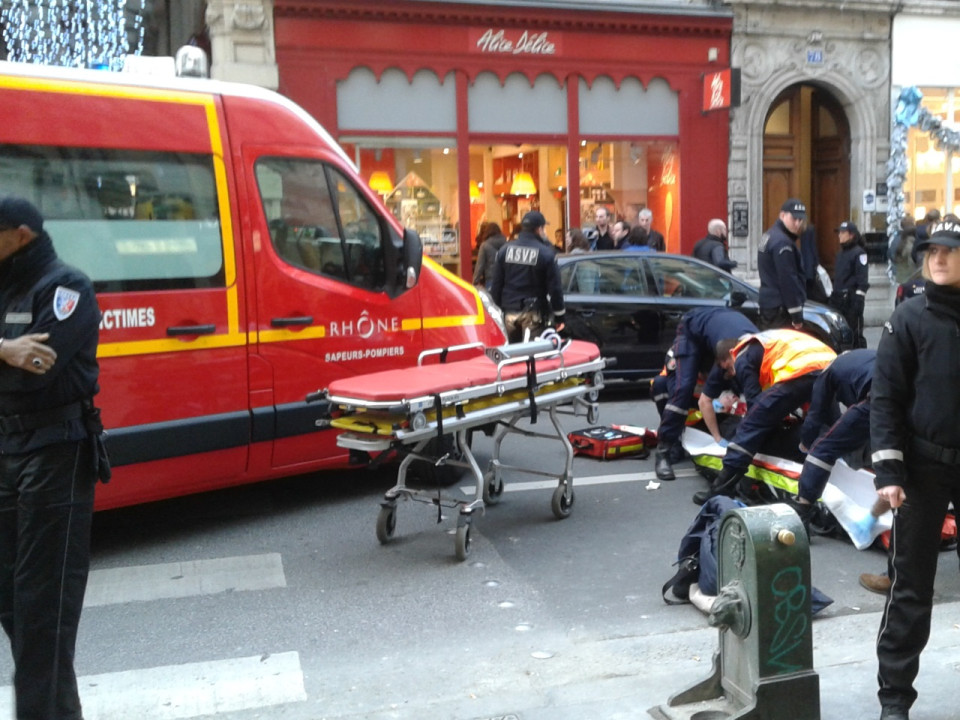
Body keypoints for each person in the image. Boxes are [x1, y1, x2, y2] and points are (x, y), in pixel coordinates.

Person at [0, 195, 106, 720]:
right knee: (12, 601)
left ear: (19, 235)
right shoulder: (6, 287)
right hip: (6, 450)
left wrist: (15, 359)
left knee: (43, 609)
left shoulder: (67, 288)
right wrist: (5, 348)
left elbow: (36, 371)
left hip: (54, 453)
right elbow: (16, 364)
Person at [869, 218, 960, 720]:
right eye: (931, 251)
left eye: (949, 250)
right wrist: (890, 472)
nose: (938, 258)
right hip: (923, 469)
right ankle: (895, 701)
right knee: (910, 590)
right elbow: (885, 400)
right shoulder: (908, 317)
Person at [692, 328, 836, 505]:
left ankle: (721, 488)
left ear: (731, 355)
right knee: (835, 426)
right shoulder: (768, 343)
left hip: (802, 370)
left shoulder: (742, 356)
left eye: (729, 367)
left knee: (751, 424)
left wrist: (760, 426)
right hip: (830, 366)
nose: (732, 372)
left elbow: (755, 406)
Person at [786, 349, 881, 541]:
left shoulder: (827, 373)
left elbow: (815, 416)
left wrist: (805, 445)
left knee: (822, 449)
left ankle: (802, 509)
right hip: (905, 396)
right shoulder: (860, 358)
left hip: (878, 398)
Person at [653, 307, 757, 481]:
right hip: (692, 329)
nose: (732, 372)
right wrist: (717, 438)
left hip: (717, 332)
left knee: (739, 382)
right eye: (730, 369)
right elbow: (705, 400)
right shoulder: (728, 357)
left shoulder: (758, 351)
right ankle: (664, 450)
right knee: (683, 388)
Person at [490, 210, 565, 343]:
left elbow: (496, 285)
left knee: (512, 354)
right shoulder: (545, 253)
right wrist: (559, 316)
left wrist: (496, 311)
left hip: (509, 312)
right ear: (539, 229)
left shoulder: (504, 250)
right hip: (534, 313)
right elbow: (555, 289)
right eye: (544, 228)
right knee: (532, 355)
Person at [757, 198, 807, 330]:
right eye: (794, 219)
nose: (797, 223)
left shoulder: (769, 235)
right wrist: (796, 313)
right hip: (780, 308)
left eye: (800, 220)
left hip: (769, 304)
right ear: (782, 215)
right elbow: (788, 279)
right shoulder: (782, 242)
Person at [831, 221, 869, 348]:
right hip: (839, 299)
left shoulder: (859, 253)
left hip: (852, 300)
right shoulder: (840, 254)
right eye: (839, 233)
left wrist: (859, 299)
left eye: (843, 233)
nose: (839, 236)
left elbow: (862, 279)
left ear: (851, 235)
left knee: (855, 333)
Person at [472, 221, 507, 290]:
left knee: (491, 299)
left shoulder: (484, 245)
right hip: (505, 279)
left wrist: (475, 281)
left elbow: (480, 265)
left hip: (491, 279)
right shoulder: (507, 244)